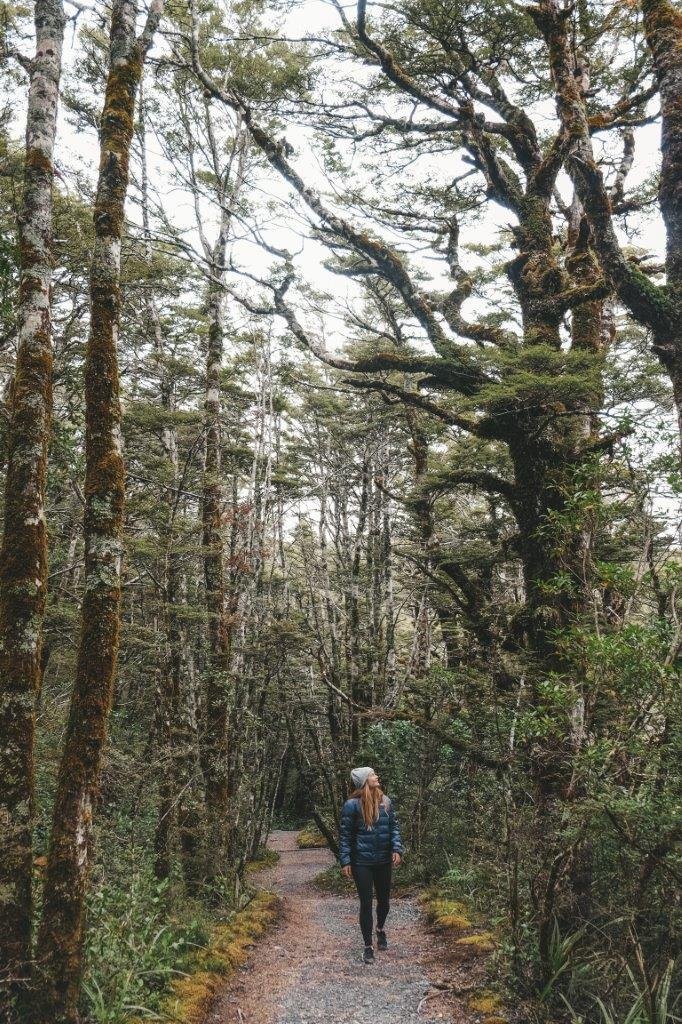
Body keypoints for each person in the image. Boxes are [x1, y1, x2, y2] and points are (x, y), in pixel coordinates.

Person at [338, 765, 404, 963]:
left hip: (384, 859)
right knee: (366, 904)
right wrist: (346, 860)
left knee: (384, 902)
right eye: (373, 774)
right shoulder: (352, 806)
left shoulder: (386, 802)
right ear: (364, 781)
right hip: (362, 862)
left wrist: (396, 848)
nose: (377, 776)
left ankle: (380, 929)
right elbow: (345, 835)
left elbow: (394, 828)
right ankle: (368, 946)